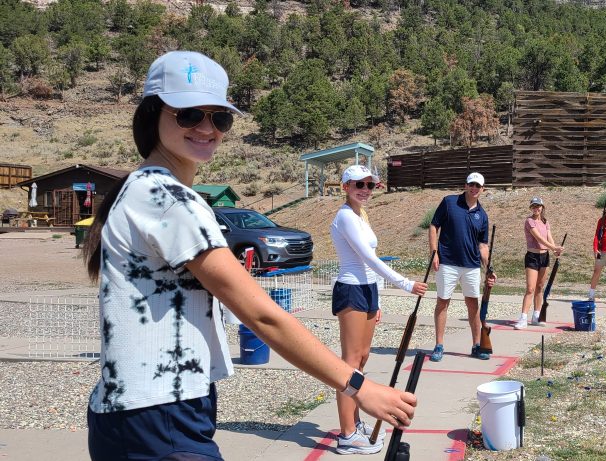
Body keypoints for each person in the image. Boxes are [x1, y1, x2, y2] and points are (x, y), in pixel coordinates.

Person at [81, 51, 415, 461]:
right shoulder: (166, 198)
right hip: (157, 411)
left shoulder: (144, 188)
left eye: (219, 118)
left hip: (146, 409)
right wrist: (359, 386)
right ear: (152, 114)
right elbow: (262, 314)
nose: (207, 128)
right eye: (188, 115)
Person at [329, 164, 428, 454]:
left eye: (370, 185)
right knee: (348, 364)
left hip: (368, 291)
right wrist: (404, 283)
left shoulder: (362, 215)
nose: (365, 190)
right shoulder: (345, 216)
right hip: (351, 289)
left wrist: (379, 299)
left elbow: (370, 262)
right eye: (359, 184)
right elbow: (369, 259)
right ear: (345, 186)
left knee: (361, 360)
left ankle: (355, 423)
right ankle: (347, 434)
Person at [427, 172, 496, 362]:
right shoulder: (449, 202)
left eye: (478, 186)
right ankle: (439, 345)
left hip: (471, 265)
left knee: (473, 304)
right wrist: (434, 253)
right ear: (465, 185)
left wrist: (488, 267)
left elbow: (482, 245)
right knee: (443, 302)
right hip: (447, 262)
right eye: (471, 184)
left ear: (483, 189)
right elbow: (434, 226)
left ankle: (476, 345)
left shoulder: (482, 215)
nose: (474, 188)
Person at [515, 197, 563, 329]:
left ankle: (536, 315)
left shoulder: (545, 222)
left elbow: (549, 237)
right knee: (530, 288)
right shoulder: (529, 221)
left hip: (544, 256)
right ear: (531, 208)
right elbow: (539, 238)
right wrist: (554, 248)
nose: (536, 208)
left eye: (538, 206)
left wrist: (555, 250)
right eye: (534, 206)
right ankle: (523, 318)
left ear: (542, 207)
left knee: (540, 287)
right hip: (532, 256)